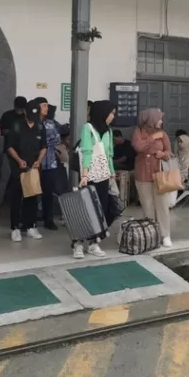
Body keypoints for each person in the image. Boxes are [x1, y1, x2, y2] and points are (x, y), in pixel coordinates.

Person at [77, 100, 116, 259]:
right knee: (85, 210)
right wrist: (84, 176)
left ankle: (94, 243)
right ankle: (78, 244)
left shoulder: (109, 131)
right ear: (102, 113)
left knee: (100, 210)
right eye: (111, 113)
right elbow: (86, 152)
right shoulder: (88, 128)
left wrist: (112, 173)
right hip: (89, 176)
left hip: (104, 176)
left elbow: (109, 155)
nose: (113, 116)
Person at [6, 99, 47, 241]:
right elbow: (10, 146)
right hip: (19, 167)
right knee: (17, 198)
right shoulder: (16, 126)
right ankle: (15, 228)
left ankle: (31, 226)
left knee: (32, 197)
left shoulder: (40, 127)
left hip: (34, 167)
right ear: (25, 113)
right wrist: (19, 160)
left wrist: (39, 161)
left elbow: (44, 147)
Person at [132, 109, 173, 247]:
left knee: (162, 205)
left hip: (159, 173)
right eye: (159, 118)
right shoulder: (138, 132)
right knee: (147, 205)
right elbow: (138, 147)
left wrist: (163, 154)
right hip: (143, 174)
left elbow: (169, 152)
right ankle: (152, 235)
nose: (161, 121)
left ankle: (165, 234)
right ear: (151, 119)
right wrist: (153, 138)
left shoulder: (163, 134)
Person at [35, 100, 62, 231]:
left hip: (49, 162)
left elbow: (57, 139)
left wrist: (42, 141)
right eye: (44, 105)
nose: (47, 108)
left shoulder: (50, 123)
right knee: (32, 191)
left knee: (48, 192)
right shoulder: (32, 123)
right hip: (34, 162)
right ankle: (31, 219)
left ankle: (48, 219)